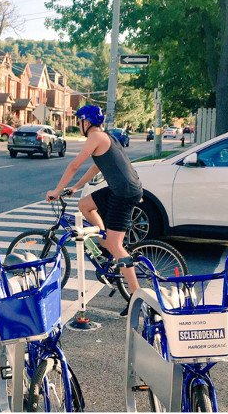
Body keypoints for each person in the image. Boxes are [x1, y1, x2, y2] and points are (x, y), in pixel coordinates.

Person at [45, 105, 143, 316]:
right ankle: (105, 240)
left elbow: (74, 165)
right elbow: (96, 166)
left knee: (116, 245)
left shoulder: (95, 137)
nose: (78, 125)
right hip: (121, 188)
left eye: (79, 121)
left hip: (124, 192)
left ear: (86, 122)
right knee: (85, 205)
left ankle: (138, 298)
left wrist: (57, 190)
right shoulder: (104, 137)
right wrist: (76, 187)